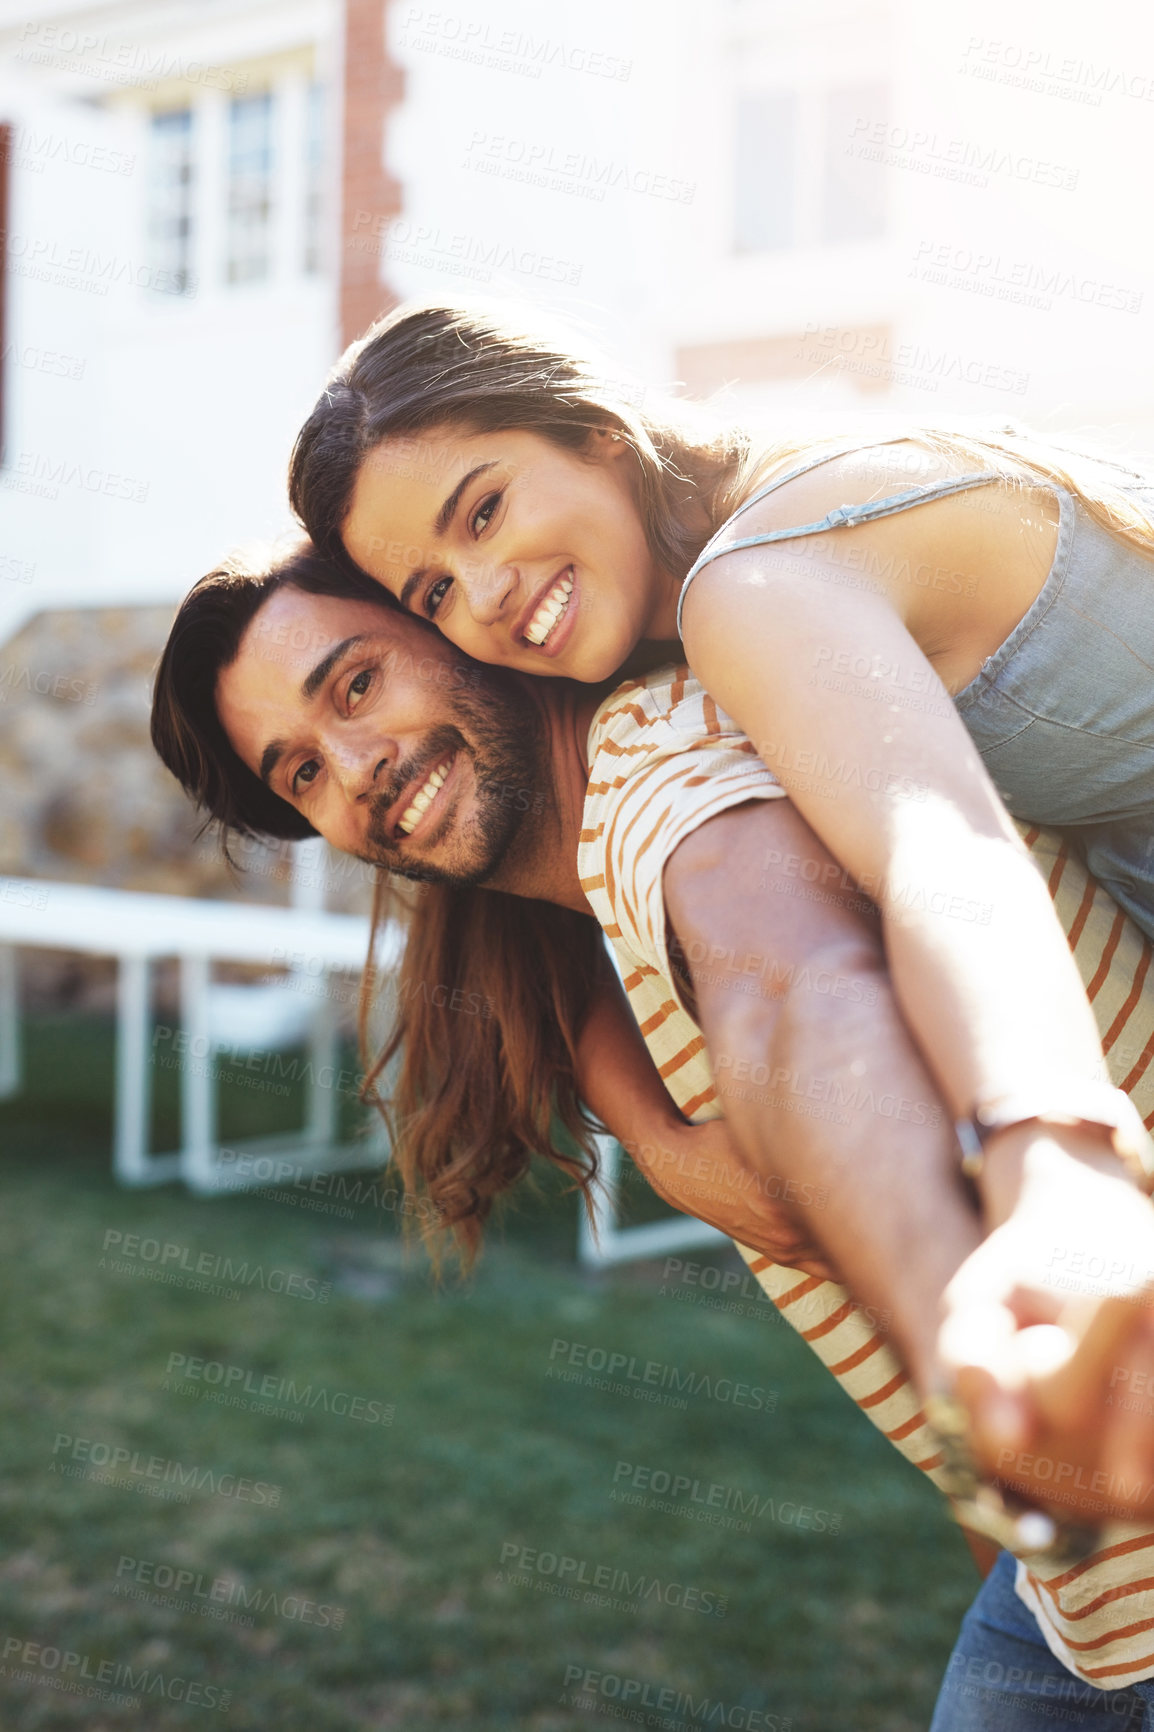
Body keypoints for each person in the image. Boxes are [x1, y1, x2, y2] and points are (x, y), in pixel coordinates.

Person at [151, 547, 1154, 1719]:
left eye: (357, 683)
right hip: (1076, 1596)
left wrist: (977, 1365)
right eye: (302, 769)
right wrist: (668, 1150)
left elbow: (791, 982)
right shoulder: (580, 869)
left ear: (453, 632)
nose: (358, 766)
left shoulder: (661, 765)